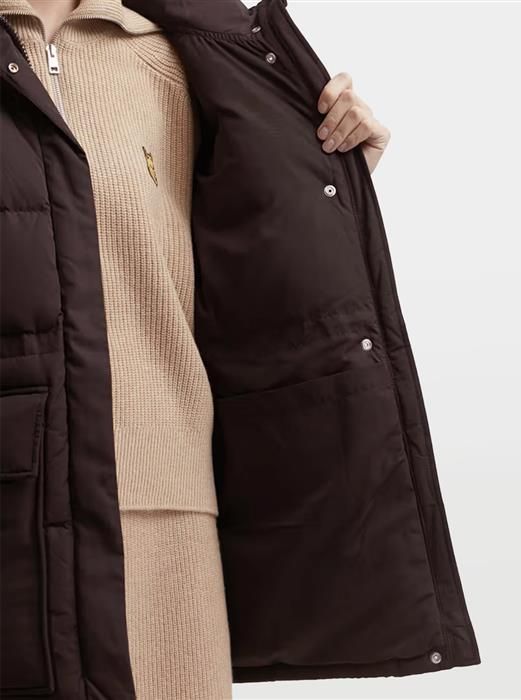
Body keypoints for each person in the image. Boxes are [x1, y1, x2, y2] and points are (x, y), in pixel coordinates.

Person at [0, 0, 391, 697]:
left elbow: (242, 276)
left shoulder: (172, 59)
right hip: (17, 504)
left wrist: (322, 169)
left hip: (169, 512)